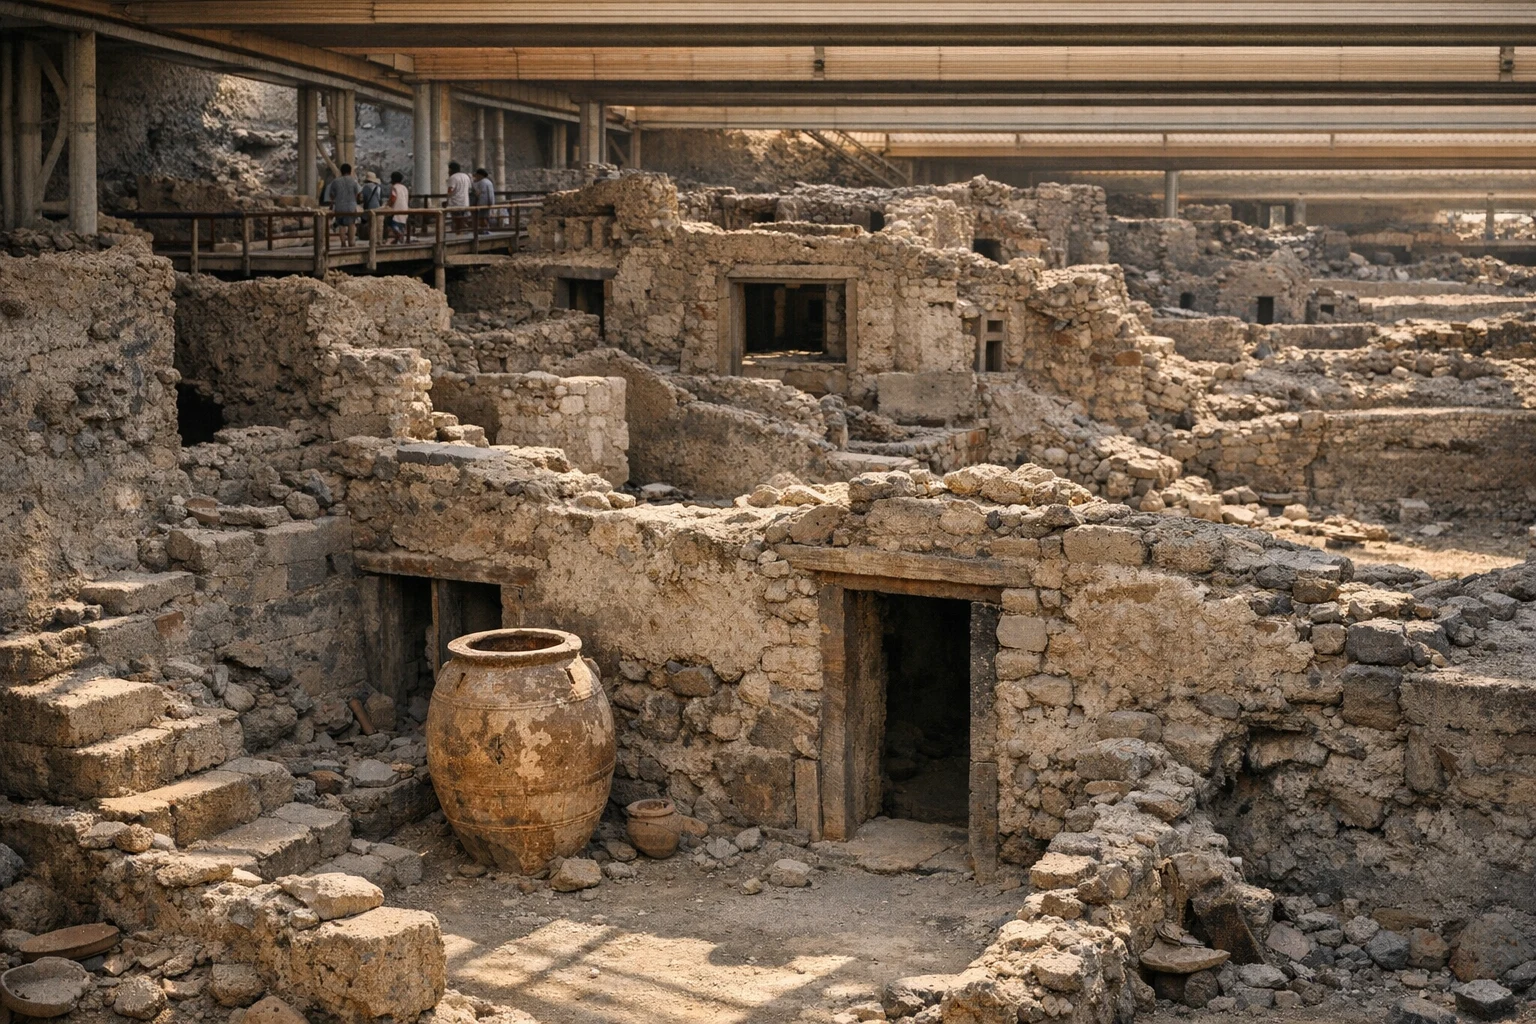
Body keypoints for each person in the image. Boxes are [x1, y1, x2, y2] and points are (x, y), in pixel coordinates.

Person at [321, 163, 361, 246]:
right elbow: (357, 194)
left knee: (341, 224)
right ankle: (351, 242)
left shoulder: (335, 181)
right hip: (351, 206)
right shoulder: (353, 181)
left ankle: (343, 242)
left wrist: (336, 200)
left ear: (341, 171)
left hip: (340, 206)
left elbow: (332, 195)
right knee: (351, 224)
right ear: (350, 171)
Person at [445, 161, 472, 232]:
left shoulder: (453, 177)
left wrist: (447, 198)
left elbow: (450, 190)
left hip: (455, 202)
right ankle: (462, 230)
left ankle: (459, 231)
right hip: (465, 202)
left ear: (451, 170)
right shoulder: (466, 176)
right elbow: (469, 189)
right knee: (462, 218)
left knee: (456, 219)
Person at [358, 171, 386, 240]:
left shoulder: (365, 187)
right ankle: (379, 240)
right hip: (378, 208)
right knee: (379, 226)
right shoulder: (378, 187)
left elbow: (362, 199)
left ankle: (372, 240)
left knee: (371, 226)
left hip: (369, 209)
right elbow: (380, 199)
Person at [385, 171, 410, 243]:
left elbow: (393, 198)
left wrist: (388, 205)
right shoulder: (404, 188)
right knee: (401, 225)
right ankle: (399, 240)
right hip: (405, 209)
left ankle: (398, 235)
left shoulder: (394, 187)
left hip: (396, 209)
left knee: (390, 222)